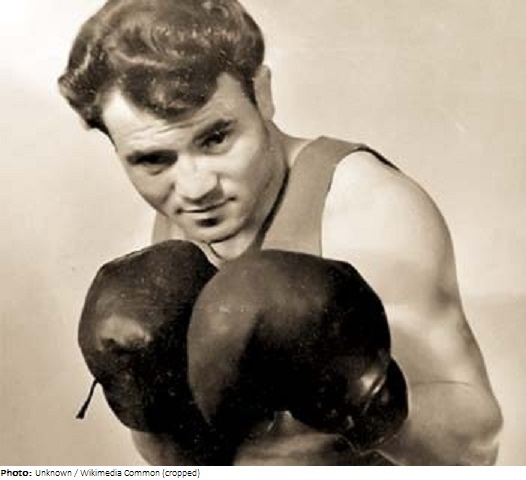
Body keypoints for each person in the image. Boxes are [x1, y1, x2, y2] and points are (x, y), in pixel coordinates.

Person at [59, 0, 502, 466]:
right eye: (154, 160)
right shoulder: (178, 223)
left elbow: (473, 449)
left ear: (262, 92)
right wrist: (152, 410)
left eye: (216, 138)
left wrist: (370, 403)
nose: (195, 187)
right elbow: (180, 465)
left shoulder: (367, 210)